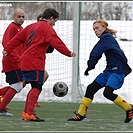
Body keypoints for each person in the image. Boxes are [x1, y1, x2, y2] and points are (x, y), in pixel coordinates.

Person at [3, 8, 76, 122]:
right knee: (37, 87)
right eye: (55, 21)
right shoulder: (47, 28)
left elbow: (17, 38)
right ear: (51, 18)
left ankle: (26, 113)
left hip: (25, 61)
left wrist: (8, 48)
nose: (54, 24)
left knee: (32, 86)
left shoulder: (32, 26)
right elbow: (57, 42)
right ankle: (29, 114)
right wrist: (68, 53)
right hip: (34, 61)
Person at [67, 20, 132, 123]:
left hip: (117, 71)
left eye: (98, 28)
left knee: (107, 93)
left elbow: (96, 52)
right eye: (94, 29)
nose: (95, 30)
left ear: (104, 27)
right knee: (90, 88)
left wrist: (90, 66)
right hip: (109, 71)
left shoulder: (106, 38)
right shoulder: (107, 38)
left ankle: (129, 108)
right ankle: (81, 114)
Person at [0, 8, 25, 116]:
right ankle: (1, 109)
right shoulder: (12, 27)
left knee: (19, 84)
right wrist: (17, 58)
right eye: (19, 16)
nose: (21, 19)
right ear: (14, 17)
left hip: (17, 62)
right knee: (17, 85)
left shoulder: (21, 28)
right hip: (12, 62)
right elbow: (6, 43)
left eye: (23, 17)